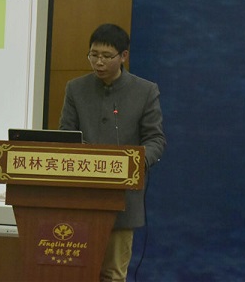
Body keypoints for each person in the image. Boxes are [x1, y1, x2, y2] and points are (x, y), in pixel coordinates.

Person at [59, 23, 166, 282]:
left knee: (113, 274)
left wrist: (135, 161)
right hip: (81, 196)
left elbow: (156, 139)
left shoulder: (145, 91)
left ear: (123, 56)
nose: (98, 62)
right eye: (93, 55)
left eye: (106, 56)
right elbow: (65, 135)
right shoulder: (76, 88)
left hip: (122, 199)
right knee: (77, 271)